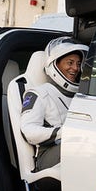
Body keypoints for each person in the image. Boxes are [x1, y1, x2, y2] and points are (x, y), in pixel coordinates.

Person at [20, 37, 88, 171]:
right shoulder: (37, 94)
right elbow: (29, 131)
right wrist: (63, 132)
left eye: (78, 63)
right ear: (55, 64)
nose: (76, 68)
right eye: (70, 62)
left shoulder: (81, 96)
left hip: (72, 147)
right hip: (48, 155)